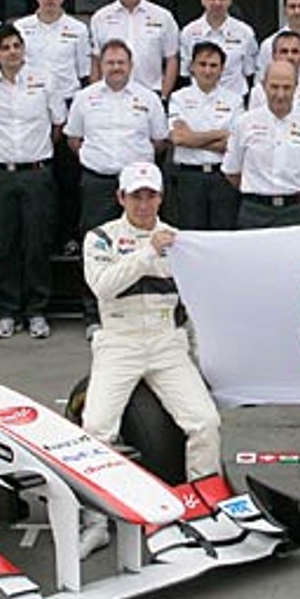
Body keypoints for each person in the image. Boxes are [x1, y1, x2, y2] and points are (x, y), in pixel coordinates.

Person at [80, 162, 225, 547]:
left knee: (205, 422)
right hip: (119, 340)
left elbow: (195, 305)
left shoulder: (180, 240)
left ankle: (205, 507)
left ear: (161, 197)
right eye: (135, 196)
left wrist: (202, 356)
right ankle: (95, 520)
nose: (143, 204)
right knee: (96, 429)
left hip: (167, 341)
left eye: (150, 195)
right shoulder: (100, 238)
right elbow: (103, 287)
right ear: (121, 197)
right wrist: (147, 251)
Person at [66, 40, 170, 328]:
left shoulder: (148, 99)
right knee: (97, 244)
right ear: (101, 65)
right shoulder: (84, 98)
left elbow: (159, 140)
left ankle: (145, 309)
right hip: (98, 182)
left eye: (121, 62)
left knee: (143, 243)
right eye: (110, 62)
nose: (115, 68)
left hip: (140, 187)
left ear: (131, 65)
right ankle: (94, 316)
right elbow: (74, 139)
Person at [0, 24, 65, 340]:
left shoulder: (45, 81)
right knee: (6, 243)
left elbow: (58, 124)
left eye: (17, 45)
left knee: (37, 243)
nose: (12, 52)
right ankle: (7, 311)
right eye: (5, 47)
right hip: (0, 174)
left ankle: (37, 311)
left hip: (37, 173)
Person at [15, 0, 93, 253]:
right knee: (37, 179)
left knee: (68, 179)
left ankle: (68, 236)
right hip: (32, 110)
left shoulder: (78, 30)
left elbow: (85, 74)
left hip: (69, 107)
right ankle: (38, 239)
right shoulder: (21, 28)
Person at [224, 59, 300, 229]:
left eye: (287, 87)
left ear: (296, 87)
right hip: (254, 212)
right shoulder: (244, 124)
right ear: (264, 85)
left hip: (297, 212)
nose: (280, 94)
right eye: (274, 87)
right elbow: (232, 172)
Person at [167, 41, 241, 229]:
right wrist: (218, 133)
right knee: (192, 235)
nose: (207, 70)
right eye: (202, 64)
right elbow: (178, 138)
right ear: (192, 66)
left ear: (222, 69)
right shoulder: (178, 98)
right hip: (189, 178)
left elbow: (233, 145)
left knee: (223, 235)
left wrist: (193, 139)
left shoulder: (235, 100)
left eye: (213, 65)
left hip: (222, 176)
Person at [91, 0, 179, 101]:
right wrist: (95, 95)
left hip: (150, 94)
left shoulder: (163, 17)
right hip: (109, 95)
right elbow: (95, 61)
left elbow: (171, 59)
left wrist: (163, 95)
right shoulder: (100, 18)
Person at [179, 0, 258, 100]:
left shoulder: (245, 33)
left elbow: (249, 72)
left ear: (230, 0)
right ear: (203, 0)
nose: (217, 3)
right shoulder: (188, 32)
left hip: (235, 104)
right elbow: (185, 72)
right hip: (198, 103)